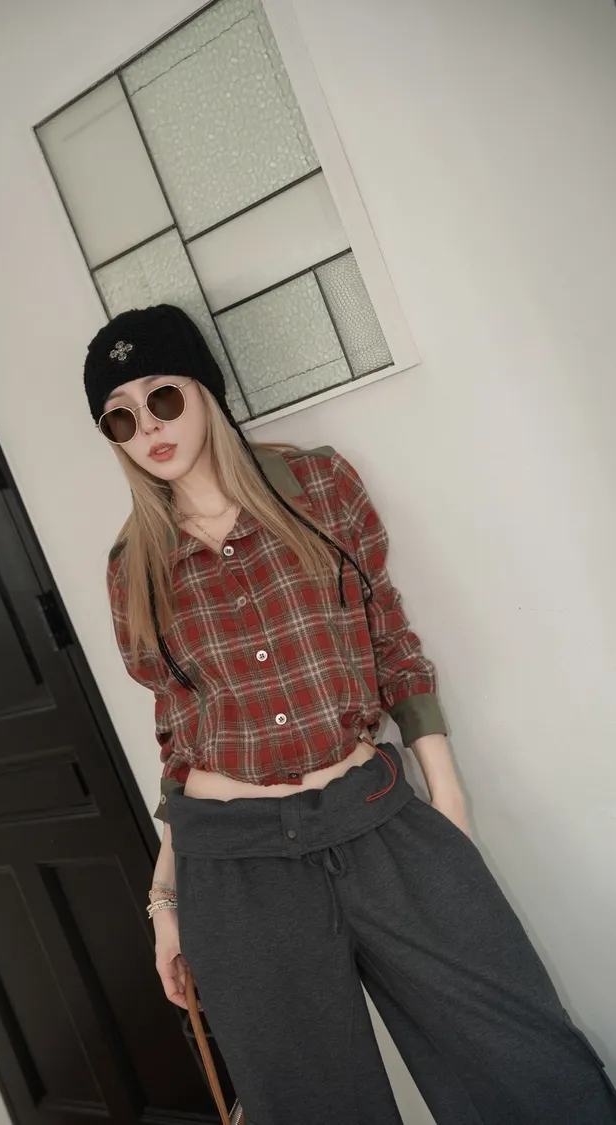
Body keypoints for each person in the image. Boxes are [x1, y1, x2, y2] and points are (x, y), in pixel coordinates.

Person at [84, 304, 615, 1125]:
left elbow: (392, 642)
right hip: (235, 865)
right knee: (314, 1108)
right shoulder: (133, 567)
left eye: (162, 396)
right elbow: (180, 733)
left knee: (532, 1070)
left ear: (204, 389)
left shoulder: (319, 486)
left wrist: (449, 804)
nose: (147, 426)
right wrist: (165, 898)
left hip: (374, 818)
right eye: (120, 415)